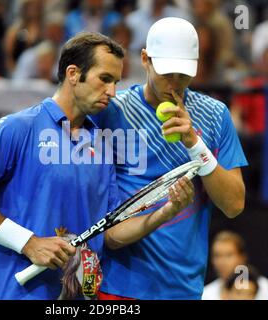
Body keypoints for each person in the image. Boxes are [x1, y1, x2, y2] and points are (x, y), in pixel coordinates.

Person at [0, 31, 195, 300]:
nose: (112, 92)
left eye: (116, 82)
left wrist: (166, 212)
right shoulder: (18, 128)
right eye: (105, 79)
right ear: (73, 73)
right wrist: (28, 243)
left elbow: (109, 233)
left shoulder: (101, 145)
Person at [93, 17, 247, 300]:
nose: (175, 83)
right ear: (145, 59)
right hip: (117, 286)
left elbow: (234, 204)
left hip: (183, 289)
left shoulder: (215, 115)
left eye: (183, 74)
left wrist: (194, 143)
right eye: (167, 73)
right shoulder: (112, 111)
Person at [202, 231, 268, 300]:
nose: (222, 262)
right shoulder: (205, 293)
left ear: (242, 257)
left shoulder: (263, 286)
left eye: (229, 255)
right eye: (217, 255)